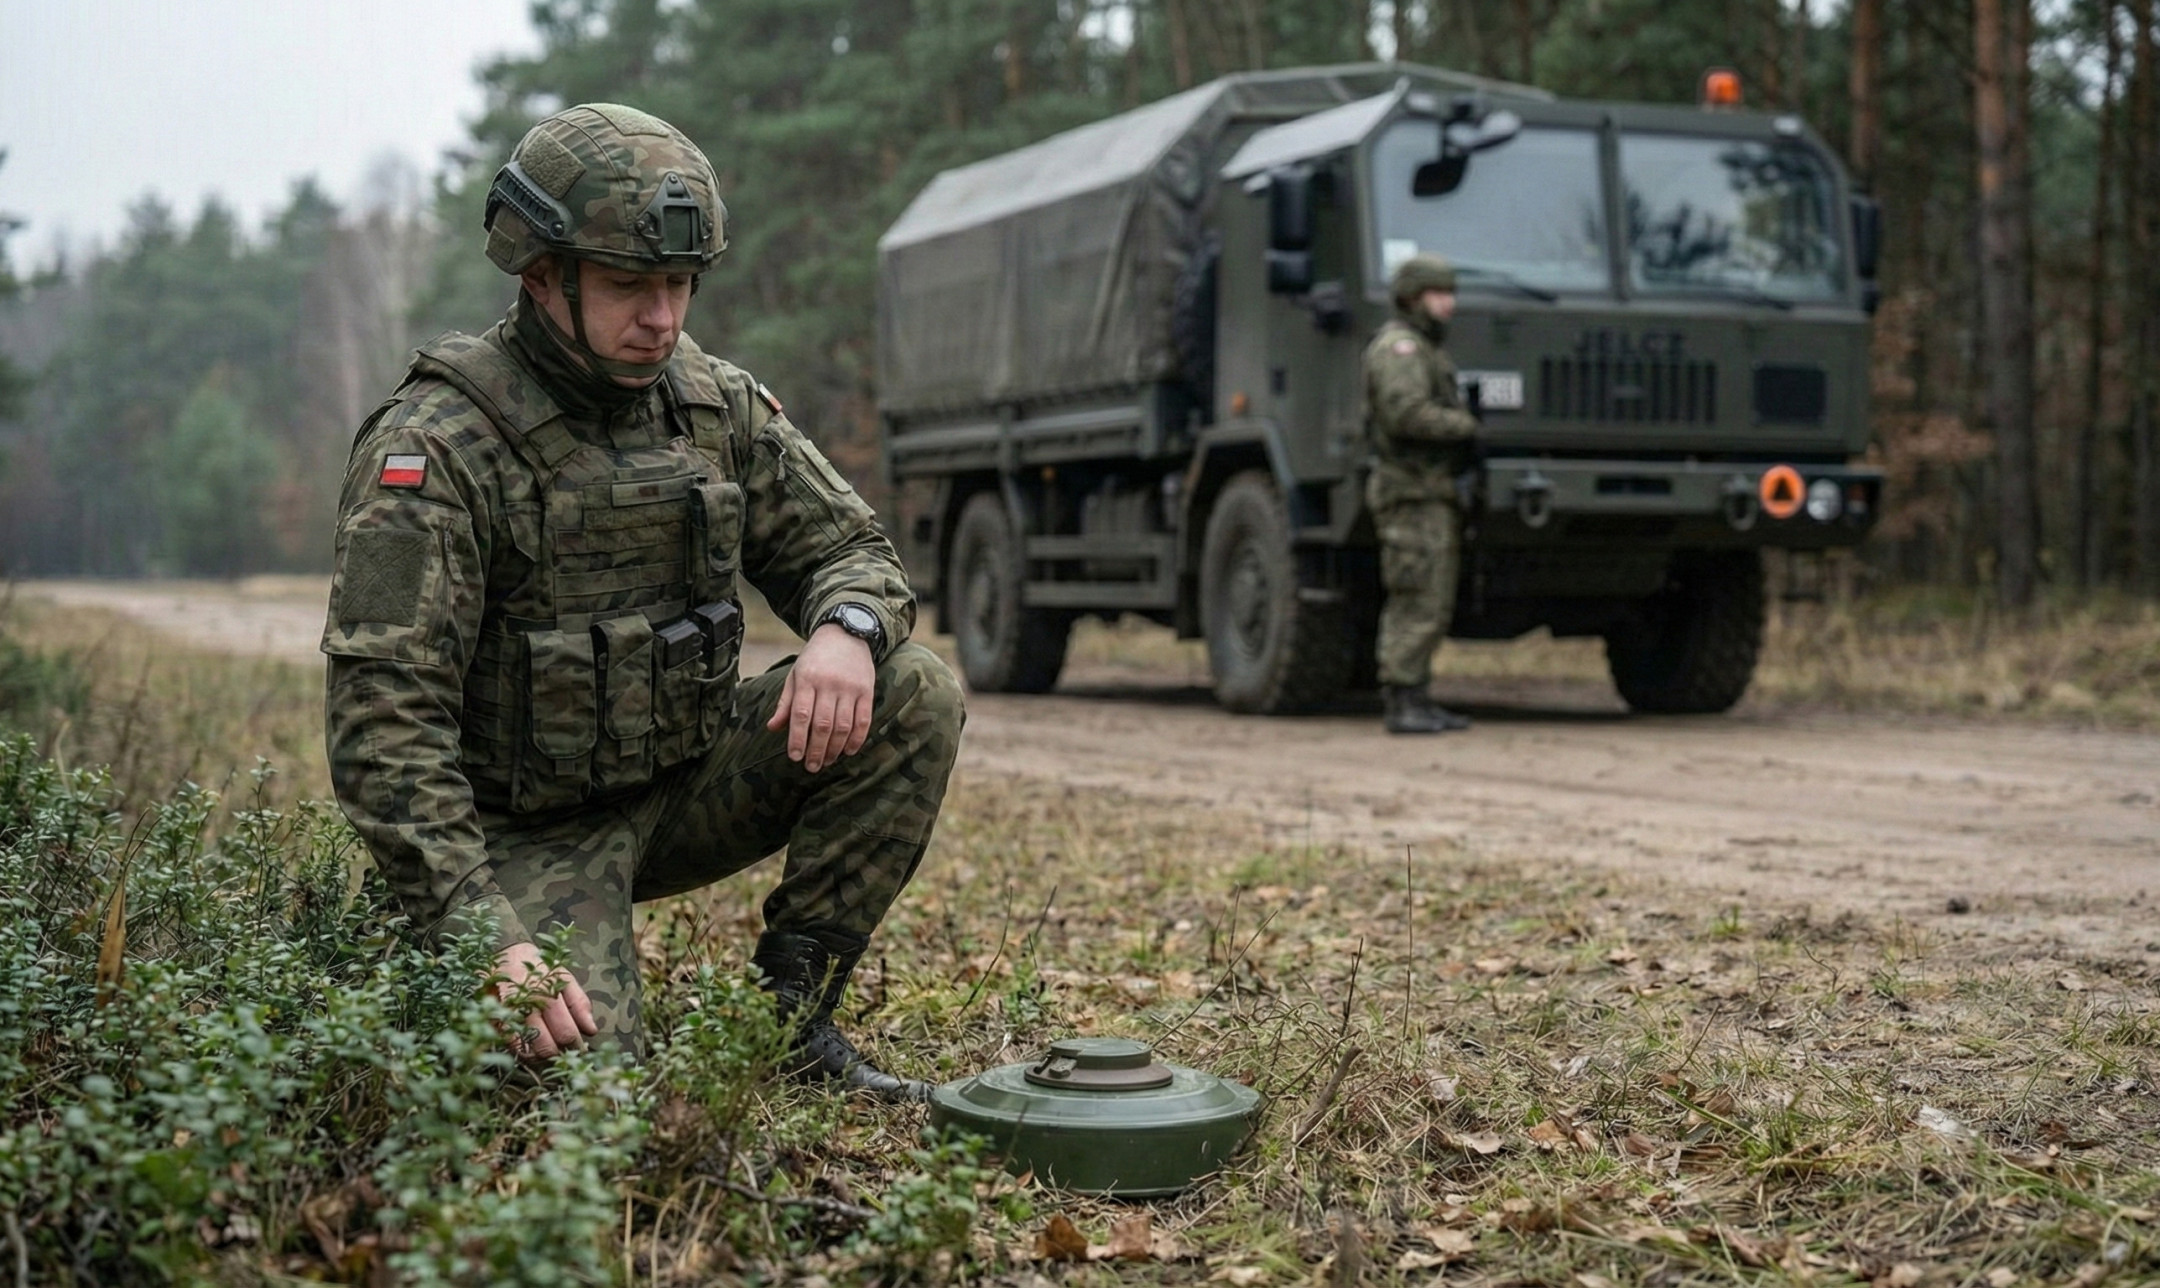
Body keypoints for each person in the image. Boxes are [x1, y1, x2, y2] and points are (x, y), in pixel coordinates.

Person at [320, 102, 963, 1100]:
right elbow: (381, 732)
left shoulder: (709, 404)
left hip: (681, 786)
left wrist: (846, 629)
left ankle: (792, 1022)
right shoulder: (439, 446)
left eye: (679, 285)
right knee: (584, 1105)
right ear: (541, 275)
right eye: (630, 286)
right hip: (515, 837)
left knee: (912, 686)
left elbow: (852, 549)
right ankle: (419, 951)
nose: (662, 318)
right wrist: (481, 934)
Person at [1362, 253, 1477, 735]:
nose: (1447, 303)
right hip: (1410, 491)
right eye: (1437, 294)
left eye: (1450, 293)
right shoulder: (1401, 350)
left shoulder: (1426, 350)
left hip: (1427, 491)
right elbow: (1406, 415)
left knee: (1431, 596)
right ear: (1412, 298)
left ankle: (1416, 696)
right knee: (1417, 596)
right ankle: (1403, 699)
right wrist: (1466, 426)